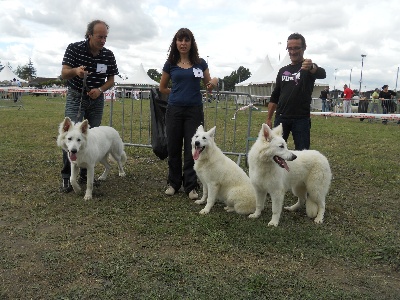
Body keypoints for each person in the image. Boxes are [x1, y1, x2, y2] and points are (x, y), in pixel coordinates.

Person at [59, 19, 119, 192]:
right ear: (89, 35)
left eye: (105, 37)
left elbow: (111, 81)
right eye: (100, 37)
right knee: (70, 136)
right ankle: (67, 177)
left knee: (88, 137)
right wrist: (75, 71)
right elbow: (63, 73)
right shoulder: (74, 48)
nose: (103, 41)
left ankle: (86, 174)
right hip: (76, 97)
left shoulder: (108, 55)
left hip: (96, 100)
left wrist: (100, 90)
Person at [159, 28, 218, 200]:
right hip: (174, 111)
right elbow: (162, 88)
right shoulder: (170, 64)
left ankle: (191, 186)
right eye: (180, 40)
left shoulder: (200, 63)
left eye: (186, 40)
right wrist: (177, 92)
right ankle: (173, 183)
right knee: (174, 147)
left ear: (191, 43)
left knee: (194, 148)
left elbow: (209, 83)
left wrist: (214, 82)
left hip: (194, 111)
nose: (183, 43)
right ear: (175, 43)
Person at [266, 32, 326, 151]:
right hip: (281, 118)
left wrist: (312, 67)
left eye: (297, 48)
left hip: (301, 119)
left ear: (304, 48)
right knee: (274, 151)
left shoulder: (307, 67)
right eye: (290, 48)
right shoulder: (283, 70)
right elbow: (275, 95)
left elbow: (322, 73)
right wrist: (268, 118)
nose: (293, 52)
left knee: (303, 154)